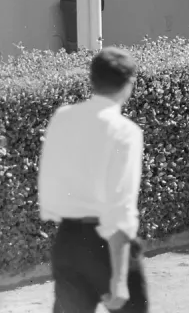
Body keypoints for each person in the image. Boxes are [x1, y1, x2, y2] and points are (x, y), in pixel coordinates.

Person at [38, 47, 148, 313]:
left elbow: (49, 180)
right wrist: (119, 279)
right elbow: (119, 206)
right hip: (105, 247)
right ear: (129, 83)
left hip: (67, 241)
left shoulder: (63, 117)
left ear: (92, 79)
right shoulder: (125, 132)